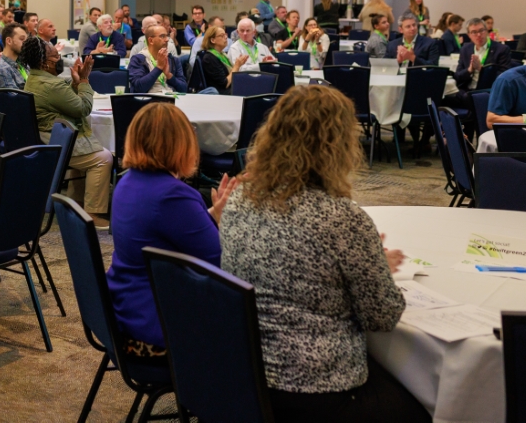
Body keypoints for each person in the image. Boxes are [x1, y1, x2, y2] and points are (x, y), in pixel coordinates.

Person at [220, 86, 426, 423]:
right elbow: (382, 317)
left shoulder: (241, 200)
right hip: (319, 393)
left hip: (246, 377)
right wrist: (378, 268)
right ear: (338, 146)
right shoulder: (342, 218)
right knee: (429, 407)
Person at [107, 104, 240, 361]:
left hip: (125, 313)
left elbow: (167, 233)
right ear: (182, 145)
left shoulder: (128, 181)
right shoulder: (172, 195)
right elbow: (222, 264)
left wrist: (213, 214)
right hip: (156, 331)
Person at [23, 38, 113, 229]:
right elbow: (82, 108)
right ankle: (93, 213)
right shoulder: (51, 85)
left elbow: (64, 102)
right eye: (55, 56)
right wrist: (85, 80)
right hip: (55, 139)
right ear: (44, 62)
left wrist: (75, 84)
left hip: (44, 135)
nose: (59, 59)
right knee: (103, 158)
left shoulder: (35, 78)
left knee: (88, 152)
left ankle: (75, 204)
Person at [454, 17, 512, 93]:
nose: (478, 35)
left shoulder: (501, 49)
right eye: (474, 32)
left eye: (481, 31)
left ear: (487, 31)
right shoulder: (465, 49)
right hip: (467, 90)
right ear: (469, 35)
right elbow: (458, 76)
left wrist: (481, 69)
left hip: (489, 92)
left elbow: (504, 78)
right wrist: (469, 70)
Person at [128, 24, 187, 95]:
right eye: (162, 36)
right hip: (148, 101)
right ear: (151, 40)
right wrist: (158, 68)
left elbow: (184, 89)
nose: (167, 39)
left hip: (171, 98)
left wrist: (169, 75)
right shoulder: (138, 60)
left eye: (167, 35)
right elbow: (139, 88)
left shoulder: (173, 60)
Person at [199, 25, 248, 94]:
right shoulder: (209, 58)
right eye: (222, 36)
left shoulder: (222, 54)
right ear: (213, 40)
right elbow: (225, 84)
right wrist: (236, 66)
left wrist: (239, 65)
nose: (226, 37)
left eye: (225, 34)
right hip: (221, 92)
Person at [0, 23, 28, 90]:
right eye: (22, 39)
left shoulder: (23, 63)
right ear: (9, 41)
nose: (26, 43)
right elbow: (13, 99)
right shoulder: (1, 69)